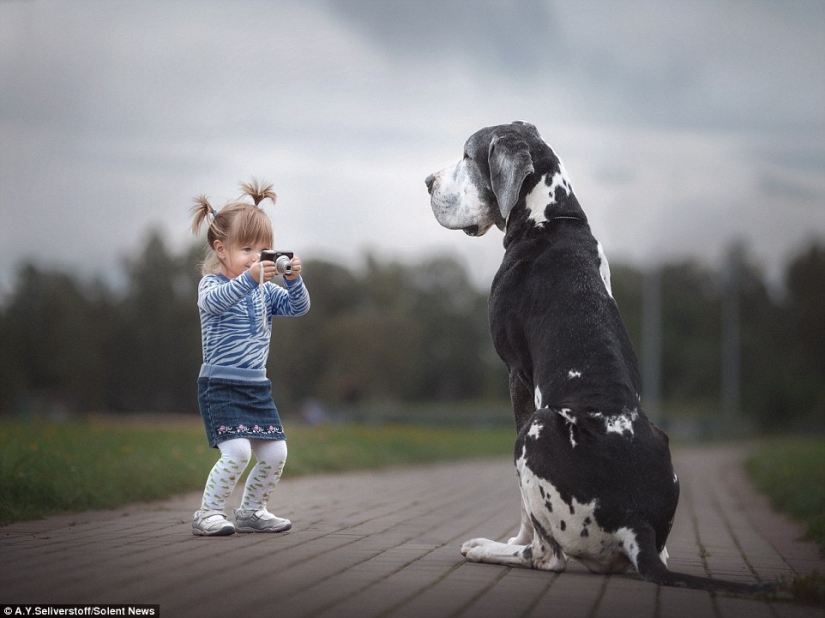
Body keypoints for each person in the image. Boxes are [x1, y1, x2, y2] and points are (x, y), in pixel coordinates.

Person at [189, 179, 310, 536]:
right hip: (220, 386)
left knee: (275, 454)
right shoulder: (211, 285)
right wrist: (251, 280)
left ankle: (252, 511)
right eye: (246, 249)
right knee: (238, 452)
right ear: (221, 249)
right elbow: (216, 303)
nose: (256, 257)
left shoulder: (265, 291)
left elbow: (298, 307)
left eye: (263, 249)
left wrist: (294, 280)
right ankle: (208, 513)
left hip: (257, 388)